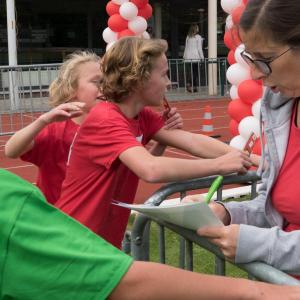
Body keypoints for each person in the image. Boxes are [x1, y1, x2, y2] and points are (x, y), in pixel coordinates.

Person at [56, 36, 252, 249]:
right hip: (74, 239)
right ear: (140, 78)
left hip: (99, 240)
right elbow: (150, 169)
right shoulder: (105, 118)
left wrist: (256, 160)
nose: (169, 82)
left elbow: (192, 141)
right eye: (164, 74)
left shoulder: (141, 116)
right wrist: (219, 165)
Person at [2, 168, 300, 300]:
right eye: (162, 73)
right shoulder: (9, 203)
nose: (169, 82)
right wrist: (260, 292)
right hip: (83, 238)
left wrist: (227, 209)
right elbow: (119, 280)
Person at [194, 0, 300, 278]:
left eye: (264, 59)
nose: (254, 74)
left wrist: (261, 245)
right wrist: (228, 213)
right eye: (250, 60)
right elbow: (274, 207)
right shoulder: (280, 105)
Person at [4, 51, 183, 204]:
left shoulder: (119, 123)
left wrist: (162, 141)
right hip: (60, 220)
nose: (104, 87)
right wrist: (42, 121)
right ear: (71, 89)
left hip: (104, 219)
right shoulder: (56, 129)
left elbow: (133, 171)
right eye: (97, 82)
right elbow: (11, 150)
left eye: (107, 81)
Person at [183, 24, 205, 92]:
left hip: (188, 57)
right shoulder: (198, 37)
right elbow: (199, 48)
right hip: (196, 56)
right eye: (197, 28)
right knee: (195, 72)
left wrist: (184, 56)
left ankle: (194, 86)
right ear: (195, 29)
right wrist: (202, 57)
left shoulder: (188, 37)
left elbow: (186, 47)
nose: (198, 29)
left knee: (192, 71)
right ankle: (191, 84)